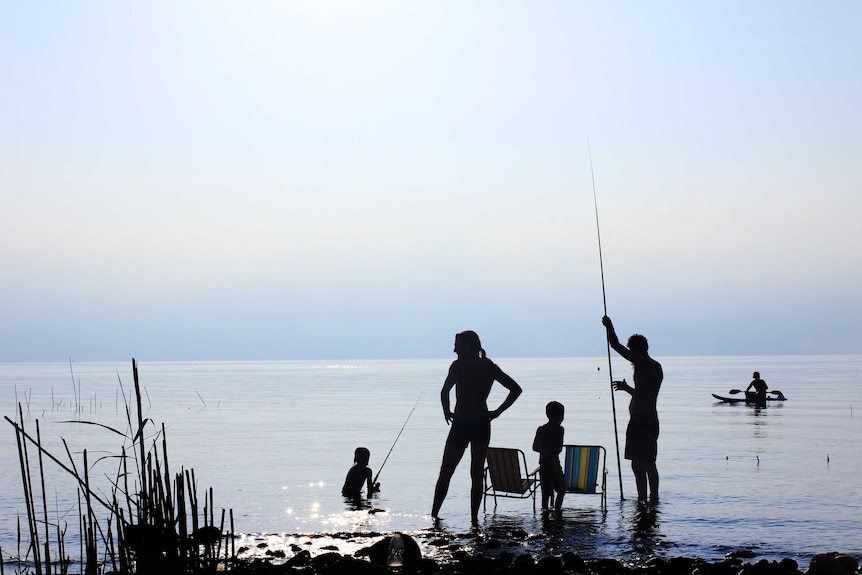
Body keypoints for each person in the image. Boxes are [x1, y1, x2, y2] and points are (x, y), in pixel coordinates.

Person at [431, 330, 522, 525]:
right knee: (475, 472)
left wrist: (446, 410)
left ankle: (435, 515)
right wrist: (497, 412)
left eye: (457, 344)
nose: (454, 348)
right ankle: (473, 519)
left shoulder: (459, 366)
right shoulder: (487, 367)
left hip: (464, 424)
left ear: (468, 346)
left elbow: (444, 390)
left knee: (447, 471)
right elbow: (515, 389)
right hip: (480, 422)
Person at [602, 315, 663, 505]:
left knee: (638, 464)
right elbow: (645, 394)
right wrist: (627, 388)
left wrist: (609, 326)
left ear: (636, 349)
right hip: (651, 419)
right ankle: (653, 498)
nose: (629, 355)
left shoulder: (643, 363)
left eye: (631, 351)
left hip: (640, 421)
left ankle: (642, 499)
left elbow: (615, 345)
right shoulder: (656, 366)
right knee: (649, 462)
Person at [532, 401, 565, 512]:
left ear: (547, 414)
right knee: (561, 490)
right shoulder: (560, 430)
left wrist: (544, 449)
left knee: (545, 493)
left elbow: (535, 447)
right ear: (561, 416)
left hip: (543, 463)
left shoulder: (541, 429)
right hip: (554, 463)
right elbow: (558, 449)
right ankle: (557, 511)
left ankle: (544, 513)